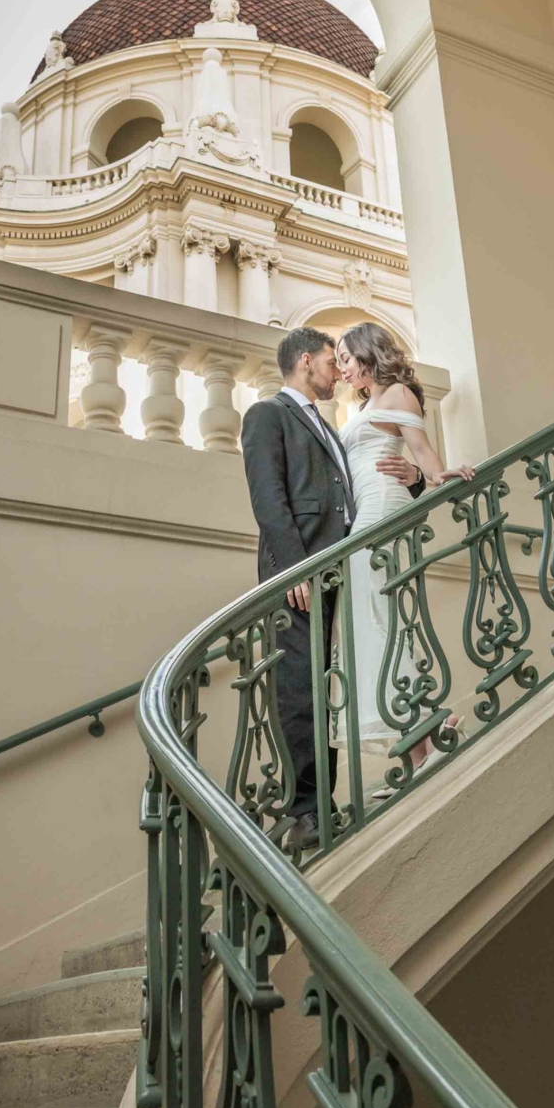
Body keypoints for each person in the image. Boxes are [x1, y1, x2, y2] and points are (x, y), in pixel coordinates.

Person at [241, 327, 424, 852]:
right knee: (299, 687)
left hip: (336, 570)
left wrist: (412, 478)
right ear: (304, 361)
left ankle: (326, 801)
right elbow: (269, 499)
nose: (338, 371)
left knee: (327, 686)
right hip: (300, 577)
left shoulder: (329, 423)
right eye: (329, 360)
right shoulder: (268, 414)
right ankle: (306, 811)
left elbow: (367, 476)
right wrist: (295, 571)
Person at [333, 322, 475, 775]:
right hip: (362, 514)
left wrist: (437, 475)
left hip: (381, 509)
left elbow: (424, 453)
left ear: (367, 354)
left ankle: (427, 729)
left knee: (378, 618)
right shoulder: (367, 403)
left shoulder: (398, 395)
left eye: (346, 359)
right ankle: (425, 738)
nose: (342, 369)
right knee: (372, 620)